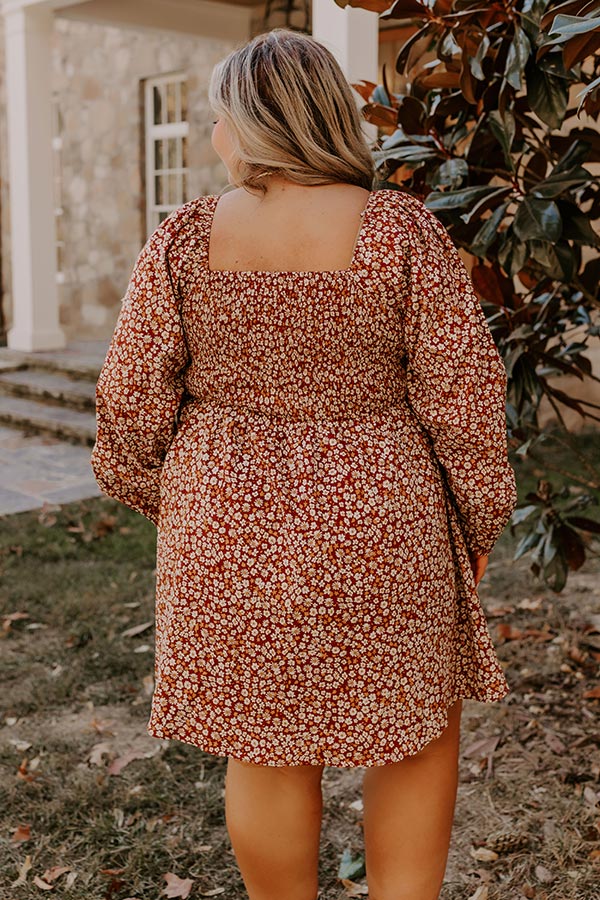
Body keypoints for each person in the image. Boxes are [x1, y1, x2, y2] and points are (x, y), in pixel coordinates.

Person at [91, 27, 517, 900]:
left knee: (263, 745)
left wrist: (187, 508)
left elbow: (127, 408)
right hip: (383, 525)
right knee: (413, 732)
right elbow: (466, 399)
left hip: (227, 531)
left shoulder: (184, 239)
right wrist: (476, 521)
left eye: (219, 117)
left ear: (253, 125)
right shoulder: (399, 232)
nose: (214, 134)